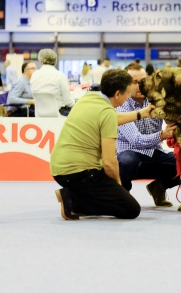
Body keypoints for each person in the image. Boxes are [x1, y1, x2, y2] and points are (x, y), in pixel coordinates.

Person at [51, 69, 154, 221]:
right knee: (131, 209)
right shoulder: (107, 113)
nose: (128, 98)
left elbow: (110, 117)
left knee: (115, 198)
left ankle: (75, 196)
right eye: (127, 93)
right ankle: (73, 200)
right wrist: (119, 188)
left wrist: (141, 113)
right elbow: (109, 162)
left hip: (59, 169)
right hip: (81, 173)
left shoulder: (89, 98)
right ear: (118, 94)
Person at [116, 63, 181, 206]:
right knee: (126, 161)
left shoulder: (158, 99)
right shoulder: (120, 105)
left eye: (143, 80)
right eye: (134, 82)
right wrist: (163, 135)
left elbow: (178, 119)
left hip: (155, 153)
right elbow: (135, 140)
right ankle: (122, 196)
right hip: (130, 154)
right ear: (125, 85)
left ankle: (158, 188)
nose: (140, 85)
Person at [30, 48, 74, 116]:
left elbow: (33, 94)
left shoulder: (34, 75)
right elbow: (68, 101)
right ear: (55, 61)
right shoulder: (60, 76)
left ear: (41, 61)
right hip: (58, 115)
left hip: (39, 115)